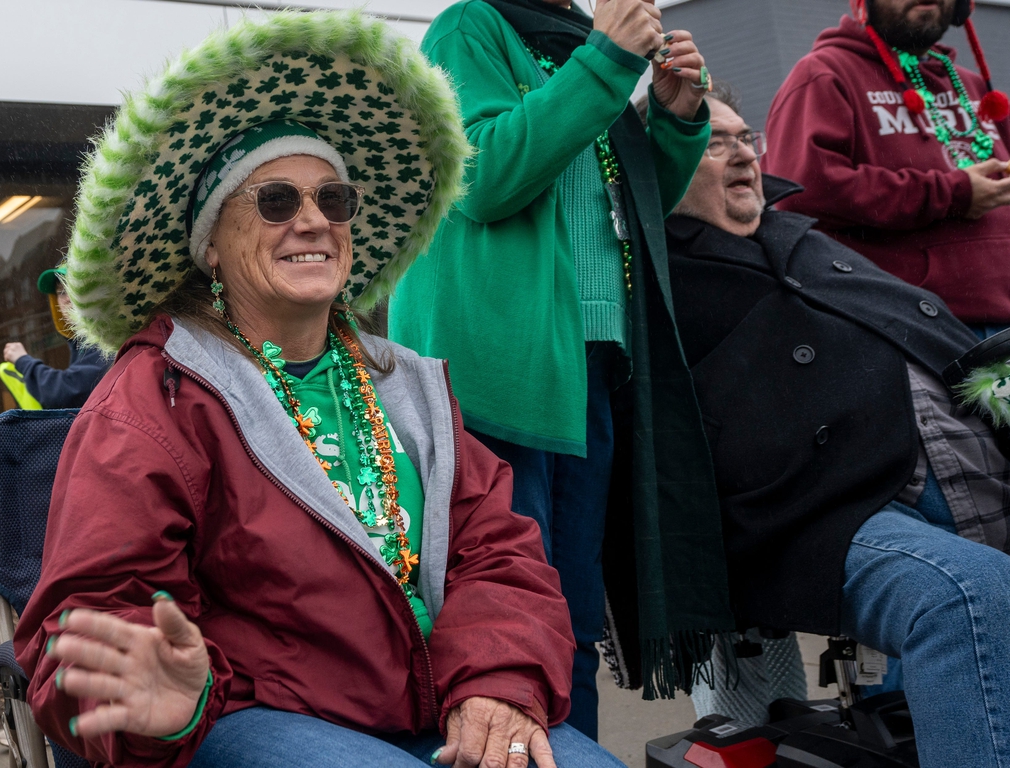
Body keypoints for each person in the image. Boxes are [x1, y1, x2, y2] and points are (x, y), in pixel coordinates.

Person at [12, 12, 626, 768]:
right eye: (276, 201)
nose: (312, 221)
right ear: (210, 244)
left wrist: (496, 680)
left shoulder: (406, 383)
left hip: (438, 701)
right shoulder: (152, 401)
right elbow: (87, 629)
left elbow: (498, 554)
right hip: (250, 716)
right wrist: (173, 705)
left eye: (333, 200)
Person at [388, 0, 734, 736]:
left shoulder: (585, 44)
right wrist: (608, 62)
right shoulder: (469, 27)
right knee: (509, 608)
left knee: (573, 612)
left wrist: (673, 118)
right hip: (494, 373)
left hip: (589, 368)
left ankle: (574, 750)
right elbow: (484, 179)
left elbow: (634, 208)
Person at [661, 83, 1010, 766]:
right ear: (667, 159)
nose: (742, 153)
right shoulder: (659, 284)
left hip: (972, 465)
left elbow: (954, 351)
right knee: (966, 597)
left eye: (745, 138)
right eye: (714, 140)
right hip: (830, 512)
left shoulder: (810, 245)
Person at [764, 0, 1010, 338]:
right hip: (907, 331)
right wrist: (953, 193)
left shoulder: (974, 85)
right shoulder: (823, 74)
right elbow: (804, 190)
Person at [1, 265, 111, 409]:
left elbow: (66, 393)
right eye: (61, 292)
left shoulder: (108, 341)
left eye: (74, 287)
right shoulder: (82, 345)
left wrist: (23, 362)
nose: (66, 298)